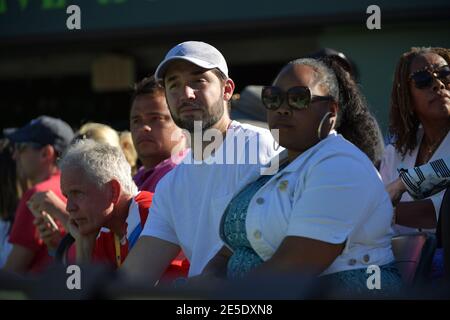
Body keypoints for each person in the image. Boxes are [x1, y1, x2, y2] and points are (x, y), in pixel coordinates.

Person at [199, 58, 401, 295]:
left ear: (331, 111)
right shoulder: (274, 165)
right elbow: (229, 250)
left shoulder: (341, 166)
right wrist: (206, 280)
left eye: (298, 98)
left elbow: (295, 266)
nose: (282, 108)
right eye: (273, 97)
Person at [121, 41, 280, 284]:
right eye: (174, 85)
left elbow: (272, 244)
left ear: (227, 89)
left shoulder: (258, 146)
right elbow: (135, 276)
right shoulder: (170, 186)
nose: (186, 94)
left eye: (198, 81)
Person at [381, 47, 450, 234]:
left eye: (445, 73)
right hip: (401, 259)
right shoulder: (396, 150)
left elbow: (438, 213)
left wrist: (402, 186)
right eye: (422, 80)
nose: (438, 84)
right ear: (406, 97)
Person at [59, 139, 155, 270]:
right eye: (66, 196)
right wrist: (83, 247)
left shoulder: (150, 214)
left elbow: (136, 289)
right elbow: (76, 288)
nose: (69, 207)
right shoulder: (102, 230)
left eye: (78, 193)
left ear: (113, 191)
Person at [2, 116, 74, 274]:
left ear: (45, 153)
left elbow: (12, 272)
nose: (14, 156)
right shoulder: (77, 187)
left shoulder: (37, 194)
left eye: (20, 147)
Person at [130, 75, 187, 193]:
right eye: (136, 120)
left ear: (184, 123)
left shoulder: (185, 175)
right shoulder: (137, 177)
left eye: (156, 118)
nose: (143, 127)